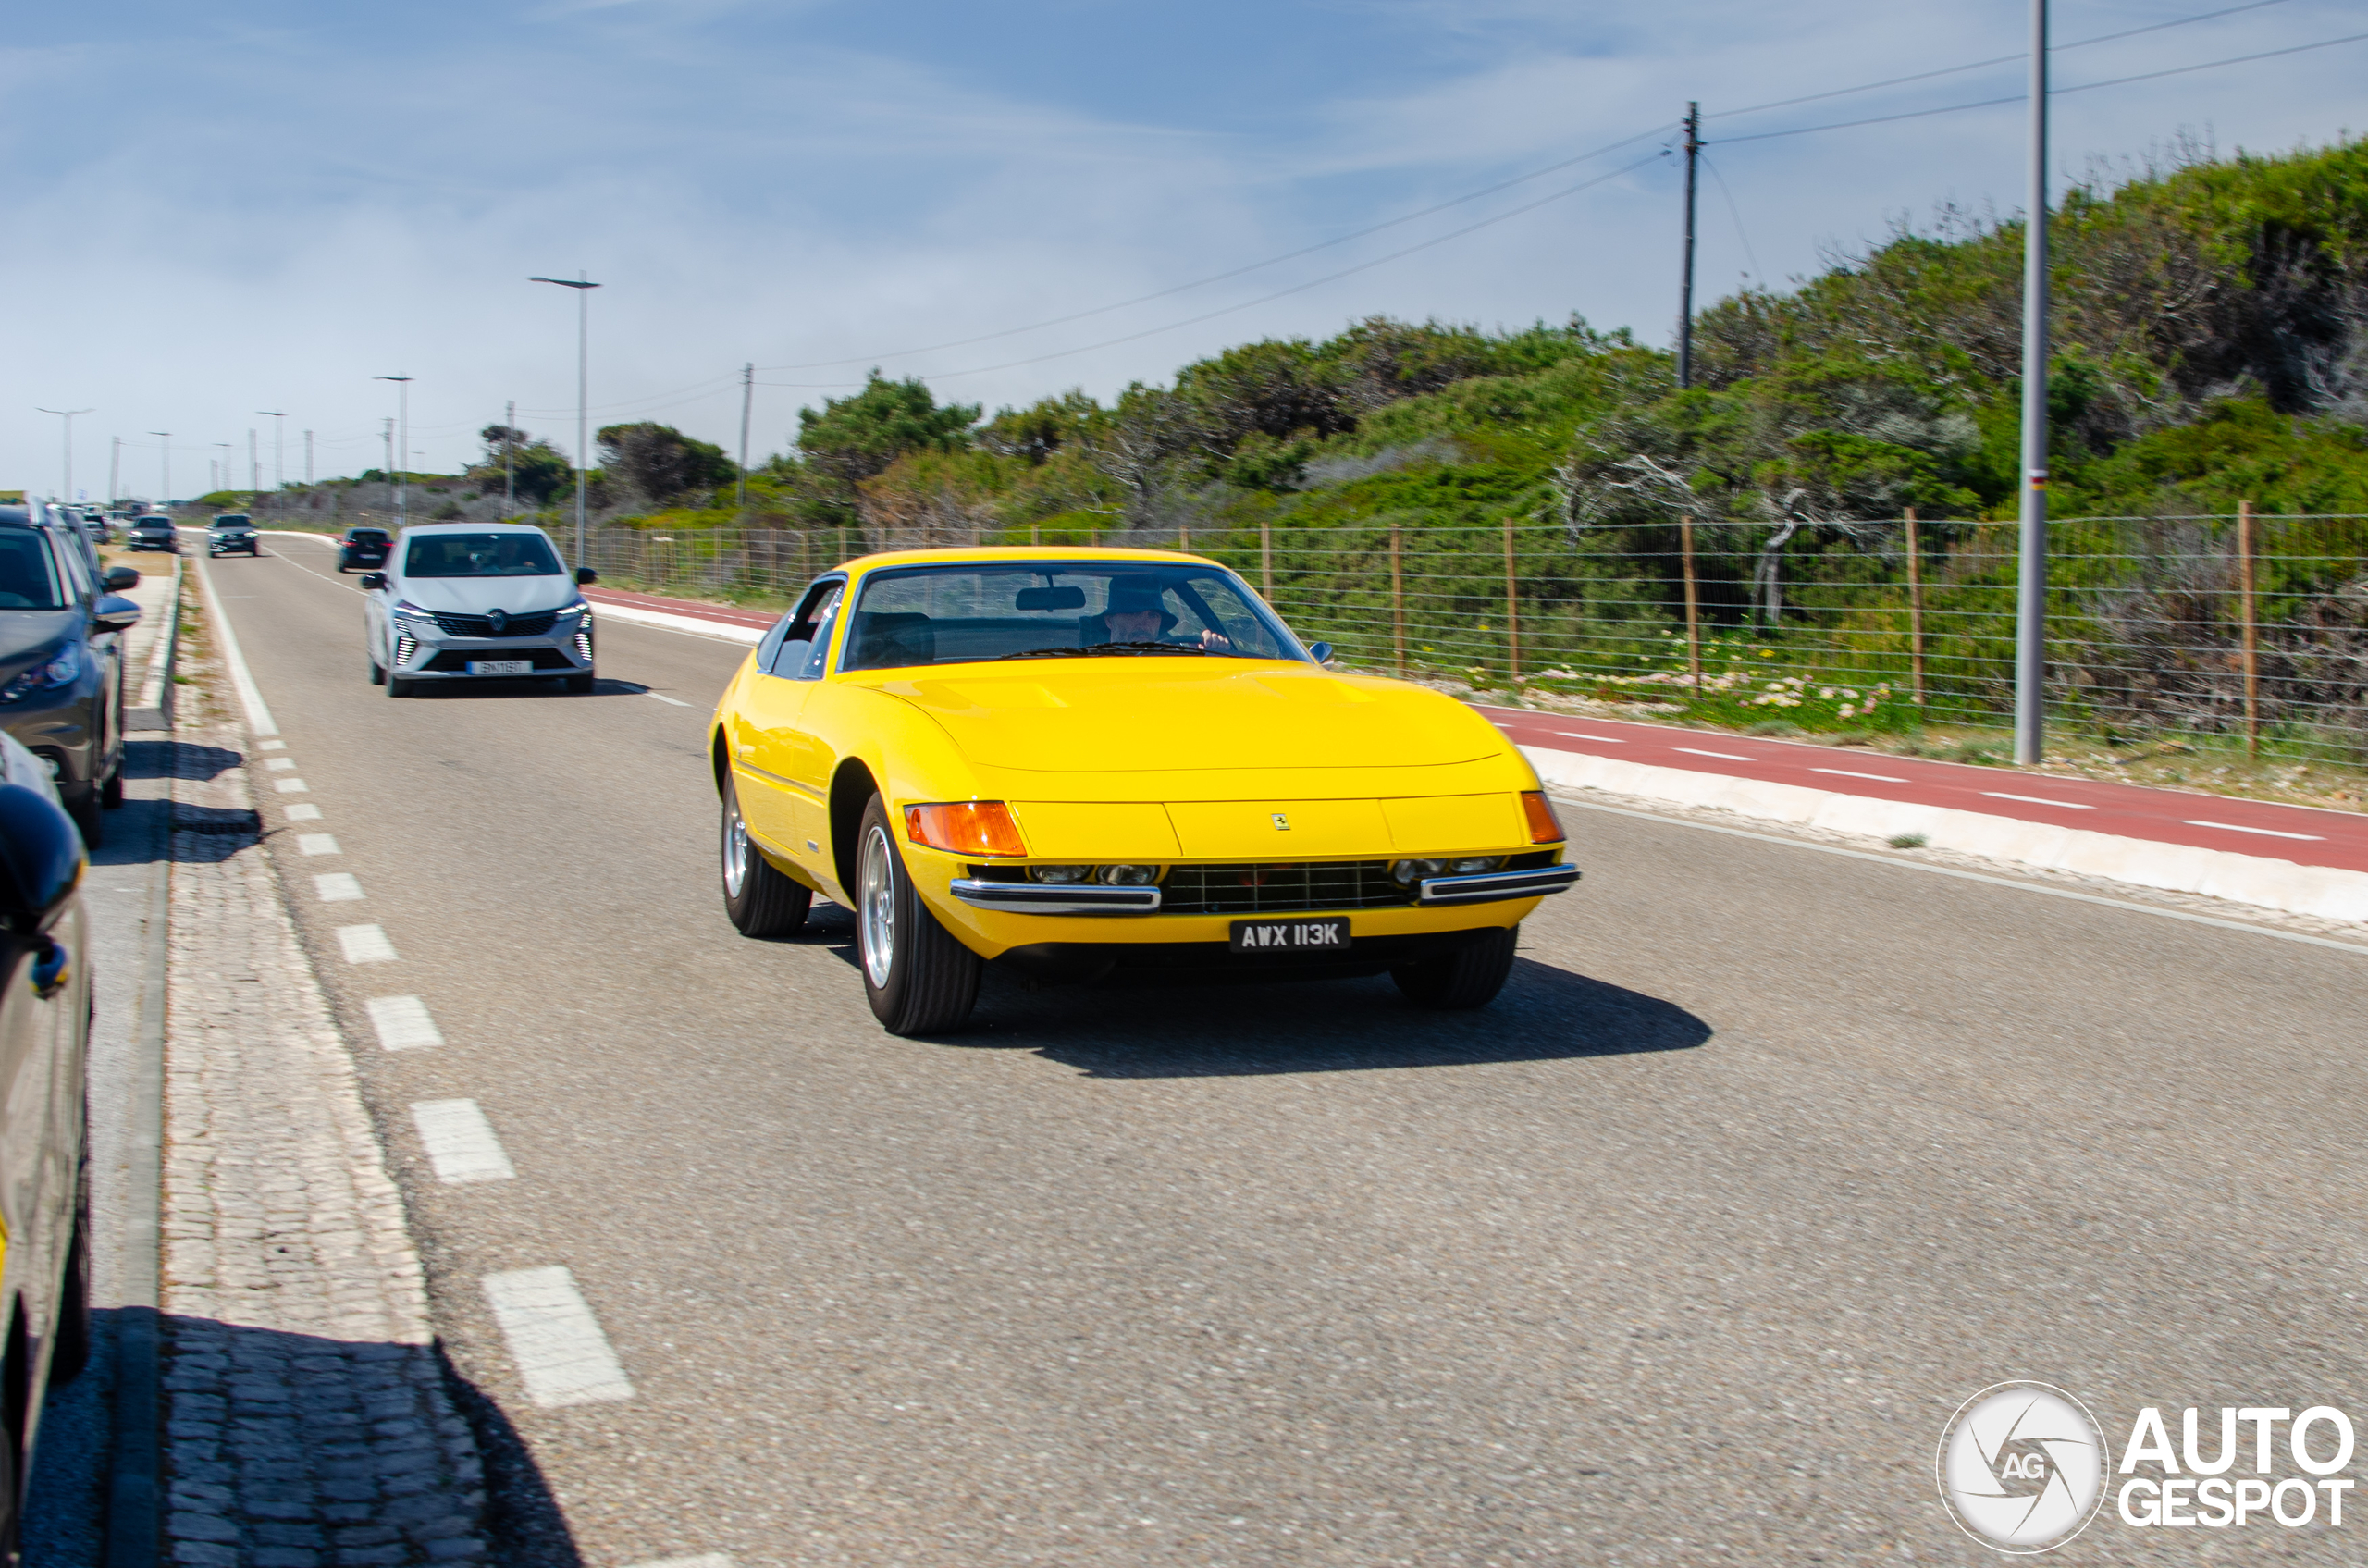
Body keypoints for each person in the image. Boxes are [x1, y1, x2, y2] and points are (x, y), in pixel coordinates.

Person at [1086, 576, 1231, 651]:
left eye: (1152, 615)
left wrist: (1211, 651)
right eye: (1133, 613)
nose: (1144, 623)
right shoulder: (1089, 664)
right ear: (1109, 621)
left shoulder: (1176, 661)